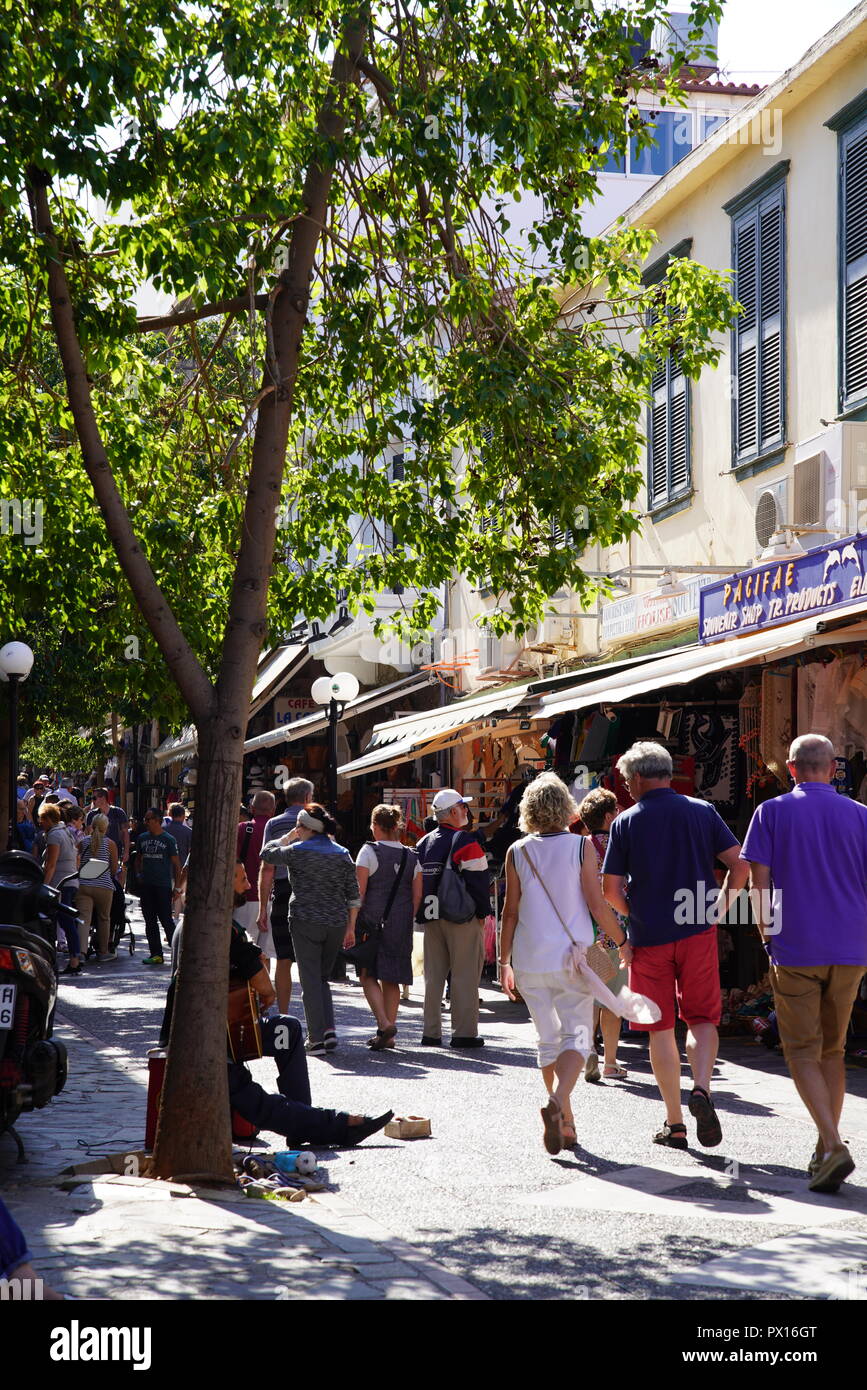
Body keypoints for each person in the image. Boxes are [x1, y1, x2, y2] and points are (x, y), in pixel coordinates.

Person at [160, 861, 392, 1146]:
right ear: (223, 885)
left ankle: (307, 1123)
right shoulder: (220, 926)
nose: (248, 886)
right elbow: (264, 988)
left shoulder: (193, 921)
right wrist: (259, 996)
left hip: (218, 1029)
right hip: (211, 1039)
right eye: (242, 879)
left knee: (288, 1029)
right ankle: (332, 1124)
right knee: (260, 1102)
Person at [602, 742, 749, 1152]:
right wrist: (721, 906)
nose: (627, 787)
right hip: (698, 929)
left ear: (639, 778)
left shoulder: (626, 822)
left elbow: (610, 889)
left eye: (628, 779)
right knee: (701, 1017)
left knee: (660, 1028)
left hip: (649, 937)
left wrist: (634, 914)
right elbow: (740, 864)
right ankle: (701, 1087)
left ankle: (675, 1123)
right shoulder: (701, 811)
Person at [742, 733, 867, 1194]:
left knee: (800, 1050)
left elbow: (761, 884)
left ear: (790, 768)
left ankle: (832, 1144)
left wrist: (766, 935)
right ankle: (823, 1148)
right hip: (852, 946)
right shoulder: (861, 816)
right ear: (834, 767)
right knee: (832, 1051)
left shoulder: (770, 812)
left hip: (796, 945)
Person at [498, 772, 629, 1153]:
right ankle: (556, 1104)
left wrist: (504, 962)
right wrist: (621, 940)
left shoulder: (516, 851)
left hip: (528, 959)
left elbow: (510, 911)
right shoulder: (580, 847)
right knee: (579, 1035)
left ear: (529, 810)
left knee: (547, 1039)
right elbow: (595, 902)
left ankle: (567, 1122)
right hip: (573, 958)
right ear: (566, 809)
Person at [260, 803, 360, 1055]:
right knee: (321, 978)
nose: (296, 830)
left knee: (310, 979)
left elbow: (267, 853)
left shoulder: (296, 850)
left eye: (298, 826)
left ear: (305, 828)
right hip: (336, 922)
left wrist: (287, 837)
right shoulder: (342, 853)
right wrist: (351, 927)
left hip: (305, 919)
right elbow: (353, 894)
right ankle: (328, 1030)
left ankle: (316, 1038)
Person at [415, 788, 491, 1049]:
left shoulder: (424, 843)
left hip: (431, 916)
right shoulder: (465, 841)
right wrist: (482, 914)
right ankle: (464, 1033)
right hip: (461, 917)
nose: (466, 812)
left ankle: (431, 1032)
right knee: (465, 975)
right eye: (463, 807)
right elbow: (479, 882)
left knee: (433, 977)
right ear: (454, 812)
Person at [355, 804, 422, 1050]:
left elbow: (359, 891)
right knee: (392, 978)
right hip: (400, 922)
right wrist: (404, 917)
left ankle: (384, 1024)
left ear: (375, 826)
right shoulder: (412, 855)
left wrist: (351, 922)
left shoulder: (368, 851)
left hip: (371, 921)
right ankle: (389, 1034)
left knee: (367, 974)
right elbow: (417, 896)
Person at [577, 788, 629, 1082]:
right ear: (609, 816)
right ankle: (610, 1060)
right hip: (616, 932)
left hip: (586, 932)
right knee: (613, 999)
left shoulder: (579, 847)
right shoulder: (620, 846)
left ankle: (588, 1051)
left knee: (589, 996)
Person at [258, 778, 314, 1012]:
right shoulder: (318, 822)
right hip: (312, 894)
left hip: (282, 893)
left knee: (283, 958)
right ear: (308, 798)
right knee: (311, 961)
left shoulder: (274, 824)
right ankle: (318, 1021)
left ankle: (283, 1014)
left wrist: (263, 908)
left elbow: (267, 867)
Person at [134, 807, 183, 966]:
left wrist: (177, 888)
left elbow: (177, 865)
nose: (146, 822)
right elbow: (138, 859)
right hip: (147, 886)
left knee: (166, 920)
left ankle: (178, 950)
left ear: (157, 820)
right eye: (145, 820)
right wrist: (139, 875)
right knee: (149, 920)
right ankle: (156, 954)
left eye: (148, 819)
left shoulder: (168, 839)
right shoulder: (142, 838)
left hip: (162, 885)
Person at [38, 802, 82, 976]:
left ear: (48, 818)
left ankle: (73, 960)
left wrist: (44, 887)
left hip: (60, 883)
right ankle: (73, 959)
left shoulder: (55, 835)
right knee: (65, 921)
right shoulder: (65, 831)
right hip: (69, 881)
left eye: (42, 819)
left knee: (63, 921)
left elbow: (51, 864)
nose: (40, 822)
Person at [78, 813, 120, 961]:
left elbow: (77, 863)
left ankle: (81, 953)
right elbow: (114, 869)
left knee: (83, 919)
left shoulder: (83, 842)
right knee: (104, 918)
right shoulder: (110, 844)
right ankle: (103, 952)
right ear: (106, 827)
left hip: (83, 884)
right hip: (103, 885)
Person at [236, 791, 276, 946]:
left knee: (242, 950)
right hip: (272, 900)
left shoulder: (242, 829)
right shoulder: (277, 832)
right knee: (264, 955)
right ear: (273, 810)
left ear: (252, 808)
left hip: (245, 898)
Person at [86, 788, 130, 885]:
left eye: (94, 798)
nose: (92, 801)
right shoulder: (91, 815)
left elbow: (125, 833)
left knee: (116, 875)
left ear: (102, 798)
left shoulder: (118, 812)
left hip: (116, 850)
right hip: (98, 851)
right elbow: (89, 834)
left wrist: (126, 851)